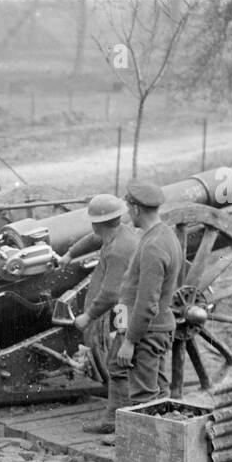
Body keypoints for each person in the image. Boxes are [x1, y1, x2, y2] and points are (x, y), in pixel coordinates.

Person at [104, 180, 182, 441]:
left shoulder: (153, 246)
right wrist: (119, 328)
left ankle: (141, 445)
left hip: (147, 332)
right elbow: (129, 289)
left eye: (128, 207)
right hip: (148, 327)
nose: (128, 213)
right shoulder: (160, 235)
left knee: (144, 395)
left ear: (136, 209)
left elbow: (147, 302)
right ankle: (147, 437)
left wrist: (129, 341)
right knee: (157, 389)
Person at [61, 194, 140, 433]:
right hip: (123, 305)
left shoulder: (118, 251)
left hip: (123, 309)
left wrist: (88, 316)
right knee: (119, 363)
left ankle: (113, 421)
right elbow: (94, 239)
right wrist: (71, 253)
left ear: (96, 222)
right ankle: (117, 415)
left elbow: (110, 294)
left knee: (118, 362)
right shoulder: (118, 232)